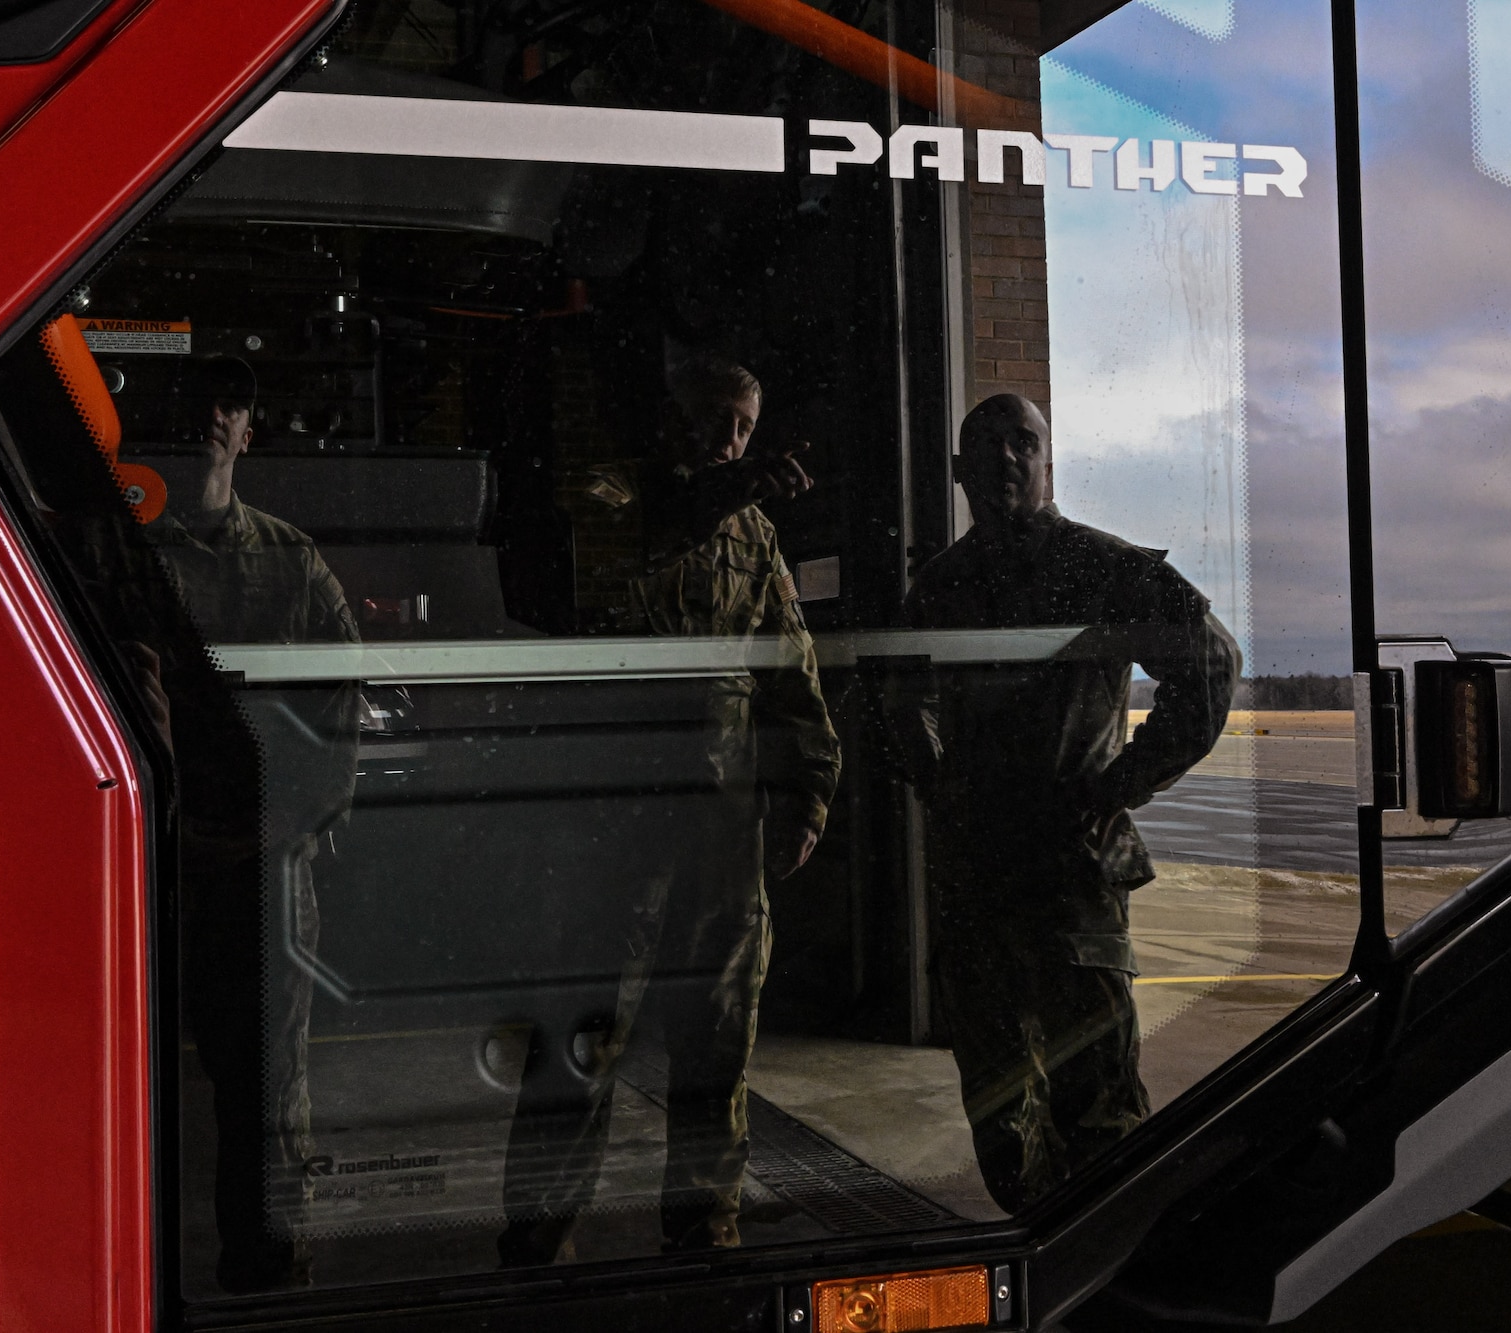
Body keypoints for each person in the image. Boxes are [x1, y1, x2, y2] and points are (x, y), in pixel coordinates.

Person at [497, 355, 842, 1263]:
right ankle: (536, 1234)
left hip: (720, 823)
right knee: (584, 1034)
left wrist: (810, 786)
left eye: (739, 427)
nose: (723, 439)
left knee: (718, 1034)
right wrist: (715, 498)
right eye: (709, 420)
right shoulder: (612, 495)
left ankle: (704, 1226)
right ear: (670, 419)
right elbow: (605, 574)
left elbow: (788, 662)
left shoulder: (756, 536)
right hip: (614, 816)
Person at [892, 393, 1238, 1212]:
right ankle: (1038, 1250)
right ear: (958, 470)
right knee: (998, 1104)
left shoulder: (1102, 567)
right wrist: (936, 777)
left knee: (1101, 1106)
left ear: (1051, 462)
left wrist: (1120, 783)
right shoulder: (943, 586)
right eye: (987, 443)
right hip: (977, 878)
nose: (1007, 457)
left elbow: (1212, 662)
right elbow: (896, 695)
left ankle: (1106, 1266)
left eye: (1025, 441)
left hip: (1070, 874)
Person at [144, 357, 363, 1292]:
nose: (209, 419)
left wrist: (273, 835)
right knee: (114, 1095)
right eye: (195, 404)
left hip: (257, 874)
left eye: (226, 404)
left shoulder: (290, 563)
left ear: (245, 429)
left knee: (267, 1102)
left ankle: (267, 1283)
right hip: (135, 874)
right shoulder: (120, 561)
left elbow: (339, 715)